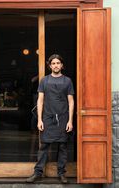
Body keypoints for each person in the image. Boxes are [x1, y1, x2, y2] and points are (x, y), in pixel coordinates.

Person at [26, 54, 74, 184]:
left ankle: (62, 173)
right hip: (47, 118)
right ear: (50, 66)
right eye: (53, 63)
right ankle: (37, 173)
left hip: (63, 118)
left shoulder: (67, 81)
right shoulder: (44, 81)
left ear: (62, 65)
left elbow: (71, 102)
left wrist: (70, 121)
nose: (56, 65)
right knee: (44, 146)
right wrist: (40, 120)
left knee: (63, 146)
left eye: (58, 63)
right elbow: (40, 101)